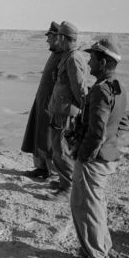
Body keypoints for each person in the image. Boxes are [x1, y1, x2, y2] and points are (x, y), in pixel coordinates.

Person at [69, 37, 128, 258]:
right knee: (96, 206)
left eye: (93, 58)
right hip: (107, 156)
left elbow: (96, 132)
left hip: (94, 161)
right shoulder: (117, 86)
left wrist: (84, 157)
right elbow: (123, 121)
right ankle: (102, 248)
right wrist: (110, 143)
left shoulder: (102, 90)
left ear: (103, 62)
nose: (89, 62)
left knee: (85, 207)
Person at [46, 21, 87, 199]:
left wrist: (81, 112)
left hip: (65, 114)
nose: (57, 40)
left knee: (61, 150)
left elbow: (80, 89)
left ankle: (67, 188)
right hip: (60, 111)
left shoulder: (73, 58)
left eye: (58, 37)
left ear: (63, 37)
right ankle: (64, 181)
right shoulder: (68, 56)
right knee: (58, 149)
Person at [21, 21, 62, 179]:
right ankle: (41, 168)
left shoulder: (64, 58)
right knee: (39, 135)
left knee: (48, 138)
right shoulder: (55, 54)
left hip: (51, 105)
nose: (47, 40)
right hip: (42, 102)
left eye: (50, 37)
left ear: (58, 37)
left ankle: (52, 171)